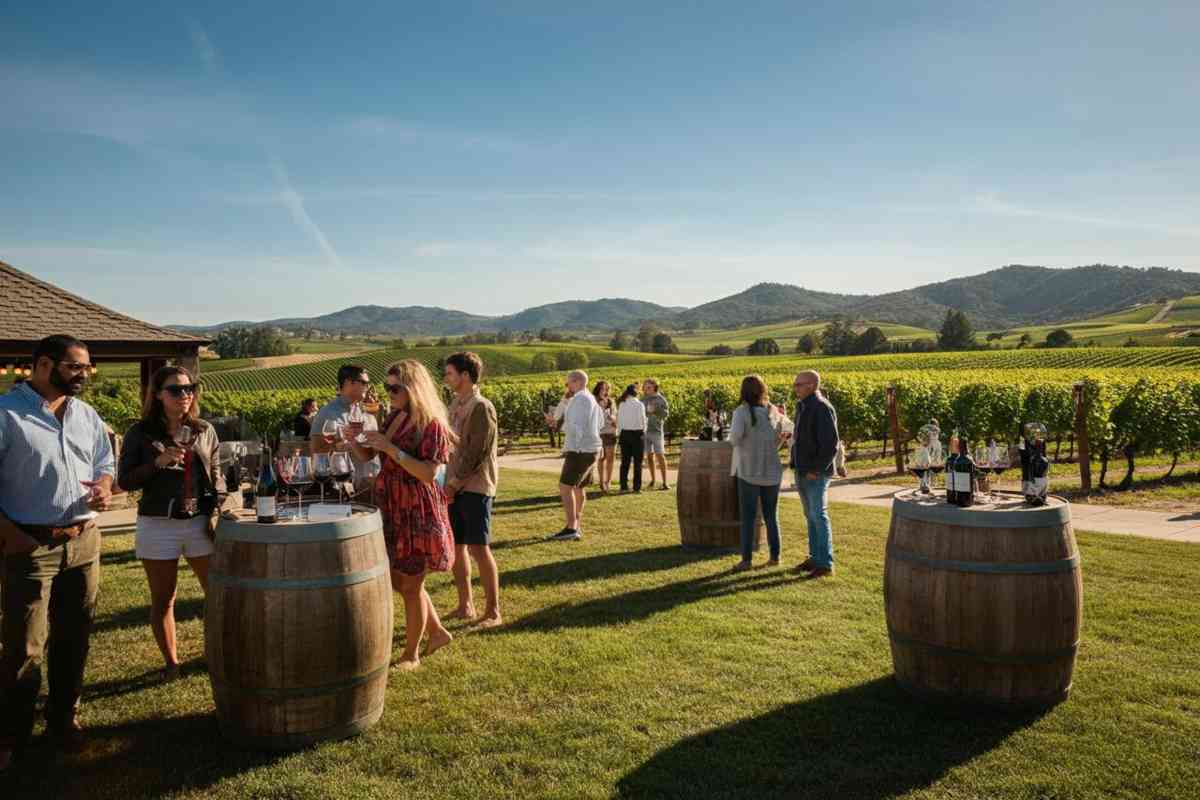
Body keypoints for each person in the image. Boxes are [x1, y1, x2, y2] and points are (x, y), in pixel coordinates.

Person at [0, 335, 114, 771]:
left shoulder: (85, 414)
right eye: (76, 367)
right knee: (24, 645)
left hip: (84, 540)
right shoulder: (7, 414)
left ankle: (63, 721)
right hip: (31, 544)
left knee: (75, 636)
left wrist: (104, 486)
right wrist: (10, 534)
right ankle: (11, 734)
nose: (84, 375)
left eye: (88, 368)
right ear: (44, 365)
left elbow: (105, 462)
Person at [118, 366, 226, 681]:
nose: (185, 394)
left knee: (217, 594)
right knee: (164, 599)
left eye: (189, 387)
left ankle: (217, 653)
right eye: (176, 389)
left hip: (198, 523)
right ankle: (171, 664)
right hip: (158, 524)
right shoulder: (140, 432)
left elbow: (216, 473)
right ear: (158, 394)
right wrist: (157, 463)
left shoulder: (204, 429)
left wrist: (218, 504)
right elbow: (125, 481)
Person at [357, 360, 456, 671]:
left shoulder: (432, 425)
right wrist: (355, 440)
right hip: (393, 505)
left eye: (395, 388)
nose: (389, 393)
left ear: (413, 388)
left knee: (411, 585)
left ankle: (411, 654)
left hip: (416, 508)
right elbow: (370, 455)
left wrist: (390, 449)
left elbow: (428, 473)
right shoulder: (396, 417)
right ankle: (437, 632)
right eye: (387, 387)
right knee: (401, 581)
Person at [442, 352, 502, 629]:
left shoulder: (481, 407)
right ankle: (466, 605)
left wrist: (453, 484)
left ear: (465, 376)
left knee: (479, 548)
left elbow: (477, 452)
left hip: (475, 487)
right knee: (457, 547)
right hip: (453, 485)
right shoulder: (456, 403)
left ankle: (493, 612)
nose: (446, 378)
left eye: (450, 373)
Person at [728, 375, 787, 572]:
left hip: (748, 470)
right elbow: (784, 436)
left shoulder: (741, 412)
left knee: (748, 517)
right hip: (772, 470)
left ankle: (746, 560)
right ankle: (775, 557)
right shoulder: (773, 412)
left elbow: (734, 439)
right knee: (771, 516)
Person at [789, 370, 839, 579]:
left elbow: (831, 445)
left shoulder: (821, 407)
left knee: (818, 515)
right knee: (810, 516)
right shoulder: (803, 406)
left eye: (798, 384)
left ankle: (825, 563)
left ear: (811, 385)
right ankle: (815, 557)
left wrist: (816, 470)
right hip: (802, 469)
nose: (795, 387)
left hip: (815, 472)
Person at [310, 365, 380, 499]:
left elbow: (373, 450)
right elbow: (317, 453)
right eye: (364, 383)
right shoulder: (328, 413)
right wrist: (339, 437)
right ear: (349, 383)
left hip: (371, 487)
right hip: (346, 489)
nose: (368, 387)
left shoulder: (364, 411)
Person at [549, 370, 602, 541]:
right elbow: (599, 422)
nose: (567, 386)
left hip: (580, 450)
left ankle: (571, 527)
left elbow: (576, 426)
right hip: (590, 448)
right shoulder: (589, 398)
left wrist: (558, 427)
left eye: (568, 383)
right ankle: (576, 525)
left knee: (565, 487)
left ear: (578, 381)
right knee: (579, 487)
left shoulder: (581, 399)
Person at [615, 383, 647, 493]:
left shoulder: (622, 404)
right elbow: (643, 421)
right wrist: (643, 432)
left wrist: (620, 433)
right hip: (637, 434)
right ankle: (636, 487)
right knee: (638, 462)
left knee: (625, 462)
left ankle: (623, 486)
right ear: (636, 393)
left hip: (624, 434)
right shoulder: (639, 405)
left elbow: (619, 421)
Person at [641, 379, 670, 490]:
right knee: (649, 456)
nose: (646, 389)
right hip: (645, 431)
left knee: (660, 456)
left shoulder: (661, 399)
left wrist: (656, 410)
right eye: (645, 387)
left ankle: (665, 482)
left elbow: (665, 415)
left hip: (657, 431)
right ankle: (653, 480)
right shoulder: (642, 399)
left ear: (654, 388)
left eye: (649, 387)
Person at [594, 381, 618, 493]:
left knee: (610, 458)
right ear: (598, 389)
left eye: (607, 389)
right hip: (598, 433)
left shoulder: (611, 402)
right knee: (601, 458)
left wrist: (613, 419)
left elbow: (616, 417)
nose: (606, 391)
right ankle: (601, 481)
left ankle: (608, 481)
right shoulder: (594, 401)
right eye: (604, 389)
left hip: (610, 432)